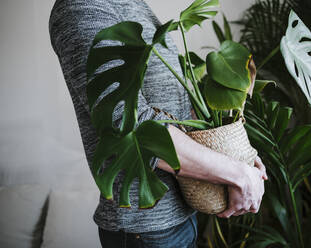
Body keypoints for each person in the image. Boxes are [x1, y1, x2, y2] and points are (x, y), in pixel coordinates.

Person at [49, 0, 267, 247]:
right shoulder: (81, 8)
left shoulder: (133, 4)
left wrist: (238, 157)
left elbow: (175, 108)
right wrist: (238, 174)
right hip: (146, 230)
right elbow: (130, 126)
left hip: (181, 216)